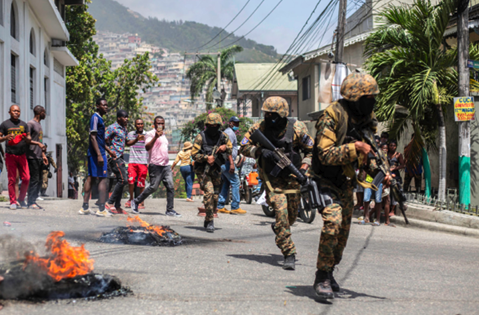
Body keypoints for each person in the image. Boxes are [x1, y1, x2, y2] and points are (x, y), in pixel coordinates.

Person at [311, 73, 391, 299]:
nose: (372, 102)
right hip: (325, 180)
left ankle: (330, 269)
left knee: (343, 235)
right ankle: (322, 276)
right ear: (355, 98)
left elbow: (372, 147)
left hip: (346, 182)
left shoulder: (365, 117)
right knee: (332, 224)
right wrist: (355, 148)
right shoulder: (332, 115)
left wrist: (383, 172)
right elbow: (324, 154)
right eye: (368, 98)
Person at [240, 96, 313, 270]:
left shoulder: (297, 128)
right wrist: (258, 151)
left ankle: (280, 228)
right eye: (267, 115)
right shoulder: (259, 128)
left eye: (274, 116)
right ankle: (289, 252)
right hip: (271, 178)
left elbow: (311, 151)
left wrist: (304, 169)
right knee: (281, 212)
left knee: (291, 217)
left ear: (283, 115)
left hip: (293, 177)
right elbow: (243, 145)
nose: (270, 119)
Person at [130, 116, 181, 217]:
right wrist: (156, 137)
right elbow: (147, 147)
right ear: (154, 124)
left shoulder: (164, 135)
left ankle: (170, 210)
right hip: (155, 165)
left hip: (166, 165)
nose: (160, 125)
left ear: (164, 125)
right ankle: (136, 201)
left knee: (170, 187)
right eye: (158, 123)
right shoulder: (150, 134)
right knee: (153, 187)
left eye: (162, 123)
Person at [192, 113, 233, 232]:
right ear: (207, 126)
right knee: (209, 193)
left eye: (216, 126)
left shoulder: (223, 136)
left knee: (215, 196)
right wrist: (206, 158)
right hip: (203, 170)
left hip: (216, 169)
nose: (213, 128)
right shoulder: (201, 137)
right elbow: (194, 155)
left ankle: (208, 217)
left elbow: (231, 147)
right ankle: (210, 220)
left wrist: (225, 147)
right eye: (211, 126)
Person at [79, 98, 115, 217]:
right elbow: (93, 137)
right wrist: (99, 154)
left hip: (98, 152)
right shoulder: (95, 118)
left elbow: (99, 140)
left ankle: (85, 207)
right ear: (97, 106)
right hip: (96, 154)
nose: (106, 107)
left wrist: (108, 150)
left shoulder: (100, 118)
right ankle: (101, 209)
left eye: (107, 105)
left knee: (92, 178)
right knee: (102, 178)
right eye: (103, 105)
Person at [0, 105, 33, 209]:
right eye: (14, 111)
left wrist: (26, 137)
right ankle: (13, 201)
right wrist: (5, 137)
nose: (16, 113)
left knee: (27, 178)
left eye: (18, 111)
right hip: (10, 155)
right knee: (12, 179)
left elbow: (29, 138)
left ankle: (21, 199)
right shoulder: (5, 124)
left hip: (22, 155)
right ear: (9, 112)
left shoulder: (24, 124)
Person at [217, 116, 246, 215]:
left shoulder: (228, 132)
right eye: (235, 123)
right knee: (236, 182)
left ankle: (220, 205)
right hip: (227, 162)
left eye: (238, 123)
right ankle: (235, 207)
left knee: (226, 182)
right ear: (230, 123)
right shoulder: (229, 133)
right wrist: (232, 163)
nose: (237, 125)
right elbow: (227, 149)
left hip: (224, 161)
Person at [105, 110, 129, 215]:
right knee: (123, 180)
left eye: (127, 117)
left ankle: (118, 206)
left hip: (121, 157)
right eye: (124, 117)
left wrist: (137, 139)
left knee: (121, 180)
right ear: (119, 118)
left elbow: (127, 142)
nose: (126, 119)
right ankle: (109, 203)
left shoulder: (124, 129)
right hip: (114, 157)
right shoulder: (112, 128)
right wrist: (110, 151)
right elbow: (101, 140)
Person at [26, 105, 49, 209]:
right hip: (32, 156)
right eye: (44, 112)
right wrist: (38, 144)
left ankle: (34, 200)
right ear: (40, 113)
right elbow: (26, 140)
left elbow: (40, 141)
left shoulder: (39, 125)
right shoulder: (30, 124)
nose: (45, 114)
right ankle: (30, 202)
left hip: (39, 156)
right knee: (34, 180)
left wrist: (43, 155)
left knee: (40, 180)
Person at [125, 119, 148, 209]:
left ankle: (141, 201)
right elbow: (128, 144)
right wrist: (136, 139)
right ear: (135, 125)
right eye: (138, 124)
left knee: (141, 182)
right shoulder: (131, 134)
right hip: (132, 161)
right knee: (131, 181)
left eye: (141, 124)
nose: (140, 125)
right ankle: (131, 199)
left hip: (143, 162)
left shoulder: (147, 135)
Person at [388, 140, 405, 216]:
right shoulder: (386, 154)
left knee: (395, 192)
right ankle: (387, 209)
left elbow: (402, 165)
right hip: (387, 175)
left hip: (395, 176)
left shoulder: (398, 155)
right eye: (391, 145)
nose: (392, 147)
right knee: (387, 193)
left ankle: (393, 210)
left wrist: (394, 168)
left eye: (394, 145)